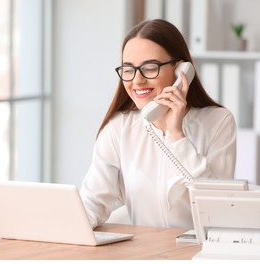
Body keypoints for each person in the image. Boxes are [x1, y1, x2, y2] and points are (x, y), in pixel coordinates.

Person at [80, 19, 236, 229]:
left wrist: (177, 134)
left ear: (181, 70)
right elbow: (92, 203)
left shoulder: (218, 122)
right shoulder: (118, 128)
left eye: (149, 68)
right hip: (146, 254)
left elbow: (219, 207)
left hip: (201, 253)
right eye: (128, 69)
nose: (137, 81)